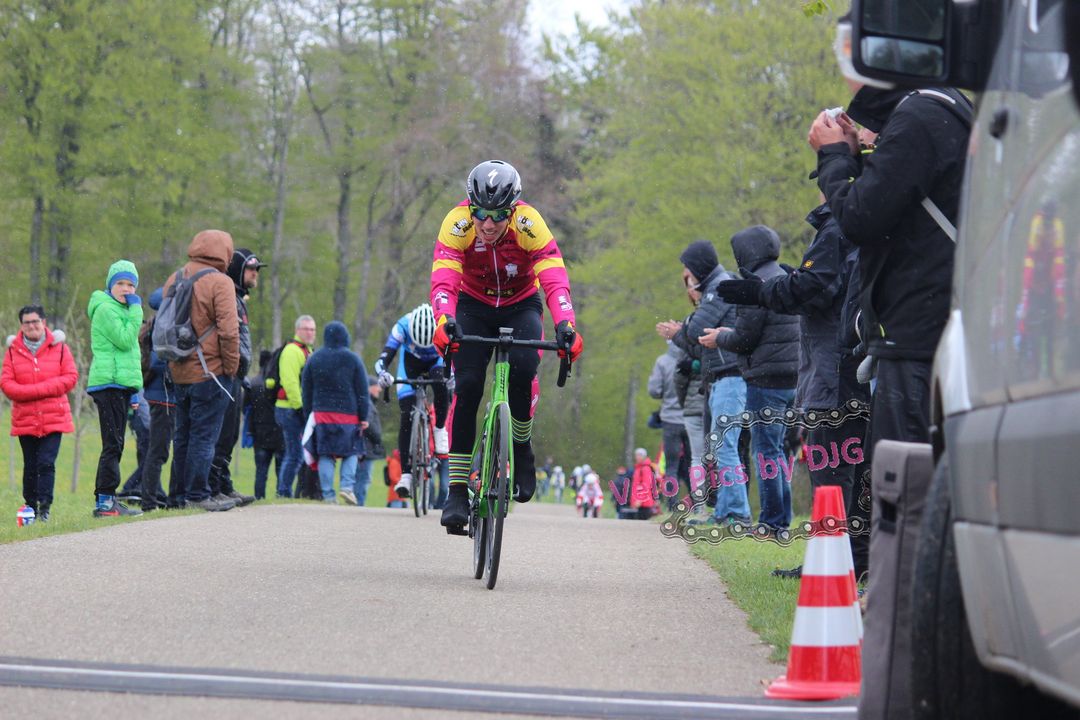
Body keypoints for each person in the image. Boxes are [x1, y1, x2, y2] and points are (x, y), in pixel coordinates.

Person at [809, 65, 971, 453]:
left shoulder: (918, 117)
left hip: (915, 331)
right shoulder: (946, 106)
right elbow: (896, 197)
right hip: (934, 319)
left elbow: (861, 218)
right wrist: (855, 154)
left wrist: (832, 156)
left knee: (903, 475)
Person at [717, 199, 870, 578]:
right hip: (841, 370)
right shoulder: (859, 226)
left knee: (830, 470)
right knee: (850, 469)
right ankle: (849, 562)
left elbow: (814, 289)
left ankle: (835, 565)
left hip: (833, 372)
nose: (820, 194)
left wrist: (765, 292)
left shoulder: (838, 229)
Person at [430, 160, 583, 532]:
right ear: (470, 206)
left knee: (523, 370)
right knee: (466, 388)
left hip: (520, 304)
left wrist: (565, 323)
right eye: (480, 212)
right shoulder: (457, 223)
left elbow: (554, 278)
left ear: (512, 209)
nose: (487, 223)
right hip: (472, 305)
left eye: (498, 215)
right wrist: (443, 320)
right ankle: (455, 490)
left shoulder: (530, 223)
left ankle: (522, 446)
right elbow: (444, 281)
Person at [701, 226, 799, 532]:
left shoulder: (753, 287)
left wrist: (720, 337)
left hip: (765, 379)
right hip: (794, 377)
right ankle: (782, 517)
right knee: (780, 451)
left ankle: (772, 522)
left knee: (766, 452)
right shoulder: (788, 276)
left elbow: (745, 339)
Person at [164, 229, 241, 512]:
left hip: (179, 368)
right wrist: (230, 367)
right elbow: (229, 332)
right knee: (204, 435)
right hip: (210, 372)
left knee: (182, 434)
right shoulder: (220, 282)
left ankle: (177, 496)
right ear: (225, 253)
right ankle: (197, 494)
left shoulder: (176, 277)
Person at [1, 305, 78, 522]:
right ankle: (30, 507)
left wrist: (35, 391)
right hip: (25, 419)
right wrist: (41, 391)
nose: (32, 326)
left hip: (54, 418)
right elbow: (7, 385)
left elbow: (70, 378)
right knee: (31, 465)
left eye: (35, 321)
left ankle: (45, 507)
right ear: (21, 326)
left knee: (46, 462)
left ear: (44, 322)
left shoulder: (60, 348)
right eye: (27, 322)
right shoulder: (12, 352)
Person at [206, 248, 265, 507]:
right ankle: (213, 486)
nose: (256, 274)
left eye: (258, 270)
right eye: (252, 269)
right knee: (222, 434)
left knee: (230, 435)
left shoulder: (239, 298)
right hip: (226, 375)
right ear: (240, 270)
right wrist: (234, 367)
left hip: (237, 378)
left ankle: (224, 484)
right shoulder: (228, 296)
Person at [86, 260, 145, 517]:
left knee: (116, 443)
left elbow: (131, 357)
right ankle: (105, 502)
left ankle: (107, 500)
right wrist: (137, 311)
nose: (126, 289)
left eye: (131, 284)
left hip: (120, 385)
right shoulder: (105, 309)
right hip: (107, 384)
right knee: (112, 443)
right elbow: (124, 341)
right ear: (110, 285)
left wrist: (133, 390)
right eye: (120, 283)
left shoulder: (123, 310)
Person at [373, 303, 449, 499]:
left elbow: (457, 357)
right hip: (410, 365)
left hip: (437, 361)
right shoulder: (401, 327)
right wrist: (383, 374)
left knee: (441, 385)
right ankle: (406, 474)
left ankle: (440, 429)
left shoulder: (443, 324)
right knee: (406, 415)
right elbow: (384, 358)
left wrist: (454, 376)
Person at [300, 321, 369, 504]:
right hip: (349, 415)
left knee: (325, 453)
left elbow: (306, 390)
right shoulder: (353, 359)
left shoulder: (314, 359)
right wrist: (364, 416)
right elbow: (362, 391)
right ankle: (347, 487)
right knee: (351, 451)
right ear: (346, 337)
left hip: (322, 414)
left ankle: (328, 495)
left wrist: (309, 413)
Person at [138, 289, 177, 510]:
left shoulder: (157, 324)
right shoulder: (161, 328)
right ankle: (149, 502)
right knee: (158, 451)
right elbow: (157, 362)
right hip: (162, 397)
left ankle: (159, 499)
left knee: (159, 450)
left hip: (162, 396)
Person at [273, 315, 316, 498]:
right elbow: (290, 382)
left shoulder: (307, 351)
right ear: (297, 330)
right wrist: (300, 408)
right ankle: (283, 492)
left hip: (294, 408)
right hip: (289, 408)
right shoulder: (292, 350)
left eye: (312, 329)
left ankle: (284, 491)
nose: (310, 333)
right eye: (306, 329)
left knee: (294, 453)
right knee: (295, 454)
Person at [647, 341, 692, 509]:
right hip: (691, 419)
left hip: (670, 419)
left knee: (671, 465)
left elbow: (654, 390)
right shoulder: (694, 360)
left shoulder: (663, 362)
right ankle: (698, 504)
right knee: (692, 463)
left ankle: (672, 506)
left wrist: (667, 393)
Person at [248, 349, 284, 500]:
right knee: (280, 469)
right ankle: (281, 496)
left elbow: (247, 409)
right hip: (278, 431)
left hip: (259, 432)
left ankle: (259, 497)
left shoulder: (253, 384)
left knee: (261, 471)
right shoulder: (278, 384)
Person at [628, 448, 658, 520]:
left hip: (645, 502)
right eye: (636, 455)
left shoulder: (645, 468)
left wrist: (639, 500)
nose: (637, 457)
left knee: (643, 522)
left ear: (644, 456)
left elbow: (646, 485)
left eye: (640, 455)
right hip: (640, 502)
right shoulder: (638, 468)